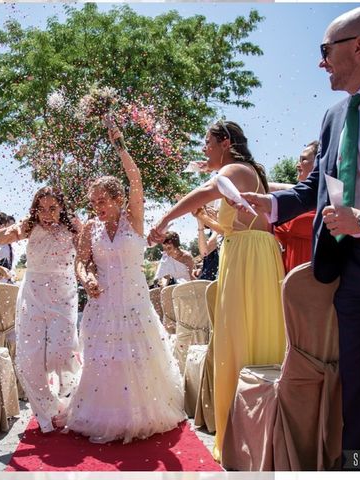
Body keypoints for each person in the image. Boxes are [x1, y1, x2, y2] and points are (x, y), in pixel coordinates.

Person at [239, 5, 360, 455]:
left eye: (326, 49)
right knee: (358, 396)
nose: (320, 61)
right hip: (355, 273)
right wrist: (269, 204)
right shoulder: (332, 117)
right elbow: (317, 187)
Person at [148, 120, 286, 462]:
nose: (203, 149)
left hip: (247, 258)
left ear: (225, 142)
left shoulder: (236, 169)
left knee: (237, 337)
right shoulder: (249, 170)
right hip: (253, 254)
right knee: (253, 333)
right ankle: (254, 430)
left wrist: (163, 221)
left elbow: (201, 193)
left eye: (208, 142)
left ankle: (242, 435)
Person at [63, 124, 185, 444]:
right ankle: (105, 413)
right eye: (93, 203)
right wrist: (85, 277)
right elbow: (80, 262)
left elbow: (136, 179)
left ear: (118, 198)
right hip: (102, 305)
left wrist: (119, 144)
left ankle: (138, 413)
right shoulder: (90, 228)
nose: (97, 207)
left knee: (138, 358)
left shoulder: (134, 219)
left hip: (134, 303)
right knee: (104, 359)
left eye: (102, 200)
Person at [0, 187, 82, 433]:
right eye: (41, 208)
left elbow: (87, 254)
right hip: (33, 292)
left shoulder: (74, 227)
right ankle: (48, 410)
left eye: (52, 208)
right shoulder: (29, 226)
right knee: (29, 358)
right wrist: (16, 228)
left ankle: (70, 399)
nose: (46, 214)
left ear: (62, 207)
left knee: (62, 352)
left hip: (63, 291)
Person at [273, 141, 319, 273]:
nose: (297, 165)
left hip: (313, 277)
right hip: (287, 273)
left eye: (303, 160)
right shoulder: (293, 201)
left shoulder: (326, 201)